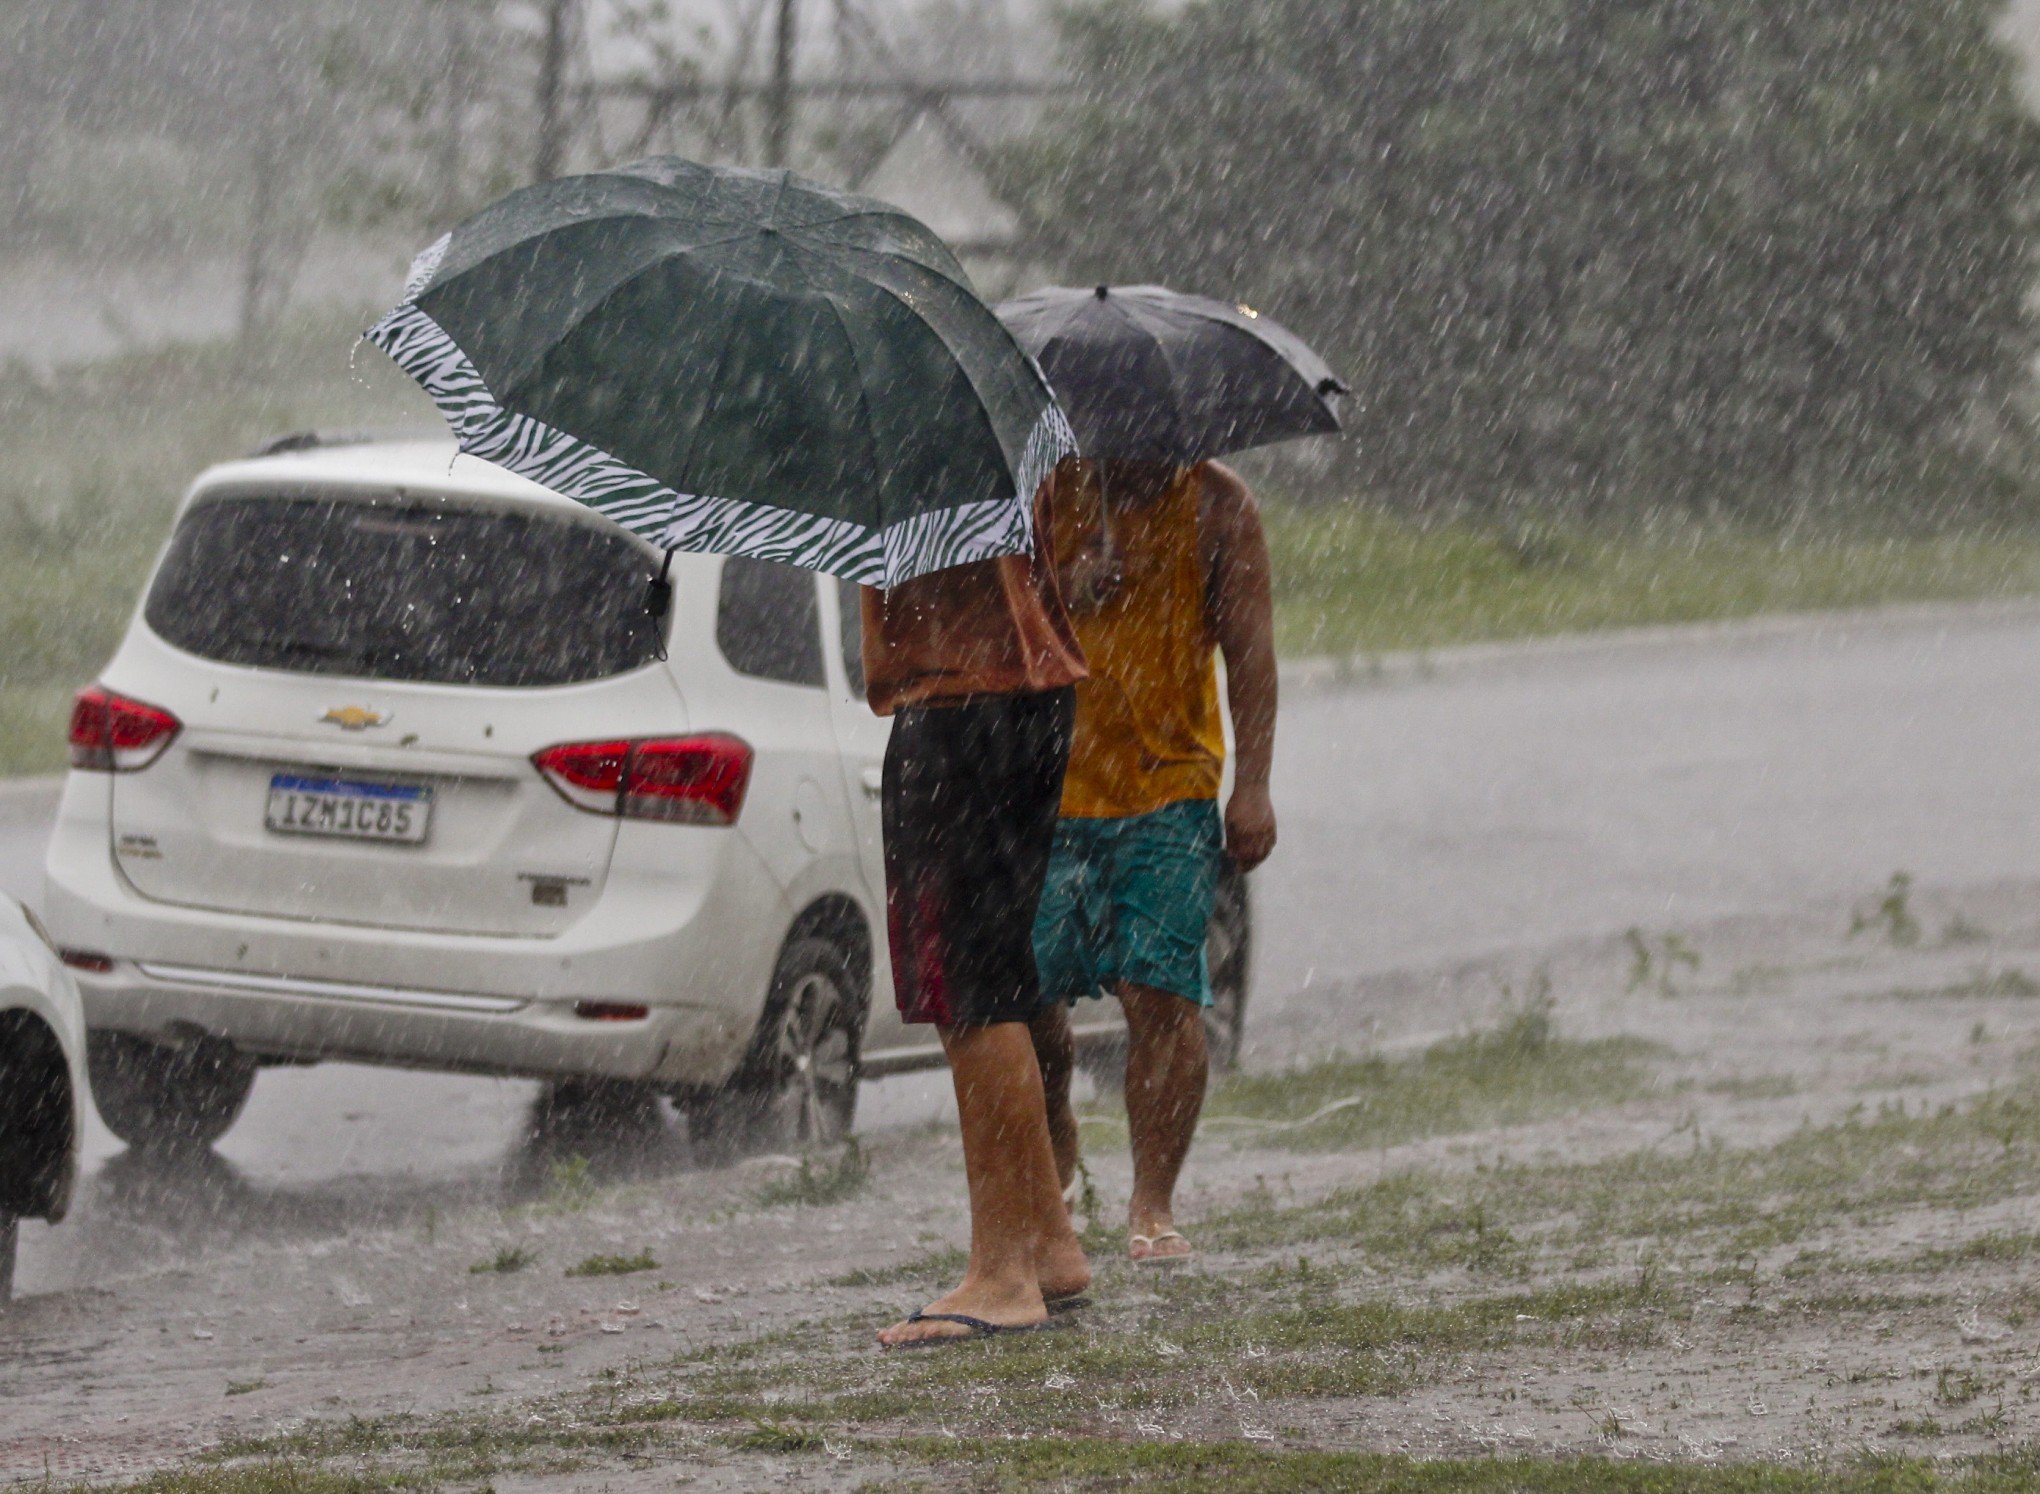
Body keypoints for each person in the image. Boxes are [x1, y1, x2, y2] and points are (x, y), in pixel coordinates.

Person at [862, 468, 1094, 1348]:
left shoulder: (902, 426)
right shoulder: (985, 415)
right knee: (997, 970)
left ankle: (1001, 1274)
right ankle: (1045, 1242)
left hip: (958, 703)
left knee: (968, 989)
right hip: (1025, 696)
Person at [1029, 457, 1278, 1263]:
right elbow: (993, 623)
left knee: (1162, 993)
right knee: (1028, 999)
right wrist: (1065, 585)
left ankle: (1152, 1203)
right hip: (1049, 787)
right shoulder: (1044, 495)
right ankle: (1058, 1132)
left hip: (1171, 785)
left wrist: (1254, 788)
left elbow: (1251, 654)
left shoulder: (1219, 506)